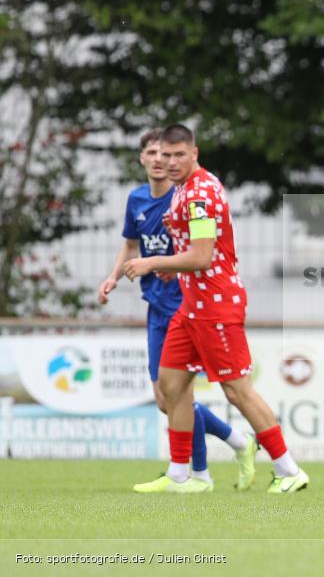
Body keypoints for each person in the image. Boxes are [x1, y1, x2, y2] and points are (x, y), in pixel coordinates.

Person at [124, 124, 308, 494]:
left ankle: (289, 469)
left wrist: (151, 262)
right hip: (190, 307)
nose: (170, 162)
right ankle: (183, 475)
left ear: (195, 153)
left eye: (179, 155)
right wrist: (171, 254)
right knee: (172, 387)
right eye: (165, 154)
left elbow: (203, 256)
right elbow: (193, 247)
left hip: (216, 306)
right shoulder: (182, 191)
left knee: (238, 392)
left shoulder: (198, 194)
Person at [98, 129, 256, 492]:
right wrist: (112, 277)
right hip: (155, 305)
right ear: (142, 158)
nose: (160, 160)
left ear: (184, 156)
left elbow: (203, 251)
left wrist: (158, 263)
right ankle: (234, 442)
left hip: (187, 304)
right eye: (152, 153)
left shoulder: (186, 194)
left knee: (183, 394)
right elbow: (131, 244)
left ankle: (195, 474)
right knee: (166, 398)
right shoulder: (137, 200)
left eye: (167, 154)